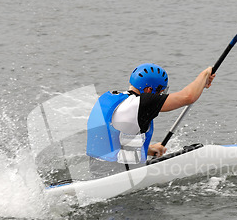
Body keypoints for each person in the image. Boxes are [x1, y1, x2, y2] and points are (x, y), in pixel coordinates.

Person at [86, 63, 215, 177]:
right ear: (148, 90)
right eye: (159, 91)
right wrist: (205, 75)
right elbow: (188, 97)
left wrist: (148, 149)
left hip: (98, 170)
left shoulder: (109, 98)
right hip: (119, 174)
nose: (160, 95)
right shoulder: (143, 103)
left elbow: (114, 137)